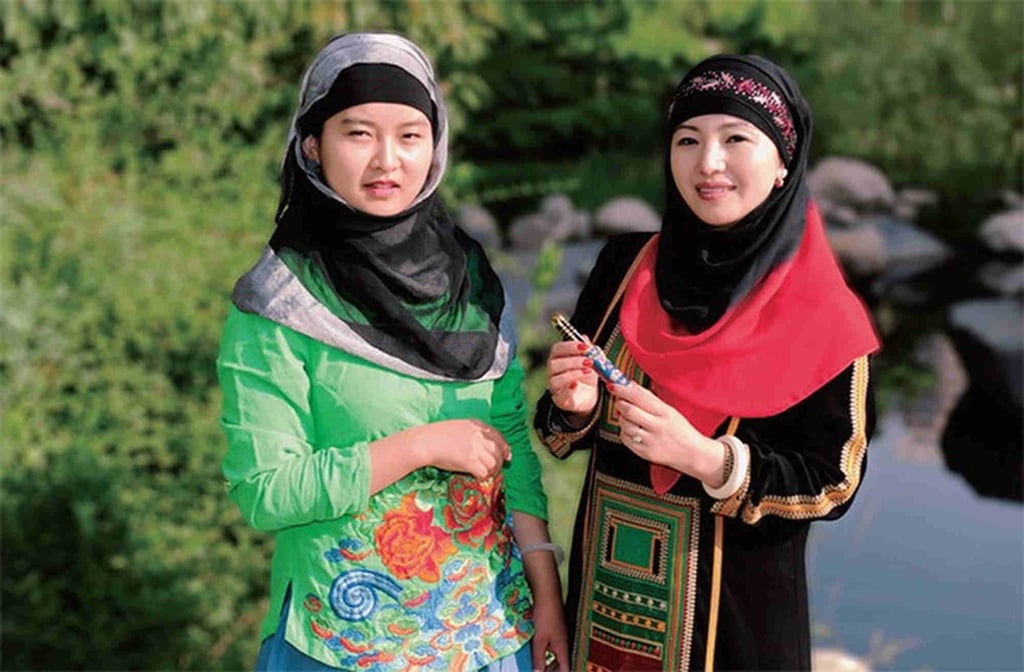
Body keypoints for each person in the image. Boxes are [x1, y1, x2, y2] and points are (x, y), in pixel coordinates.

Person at [217, 32, 568, 672]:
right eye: (358, 133)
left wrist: (547, 598)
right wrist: (422, 446)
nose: (387, 160)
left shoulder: (468, 282)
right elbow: (265, 492)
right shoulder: (278, 305)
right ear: (312, 146)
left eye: (410, 135)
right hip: (336, 646)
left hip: (491, 637)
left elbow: (511, 447)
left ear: (435, 148)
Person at [534, 54, 881, 671]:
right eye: (687, 139)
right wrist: (574, 407)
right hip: (605, 617)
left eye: (736, 138)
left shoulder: (824, 313)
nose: (708, 162)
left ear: (782, 162)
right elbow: (559, 431)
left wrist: (705, 459)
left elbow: (833, 481)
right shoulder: (625, 268)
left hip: (737, 633)